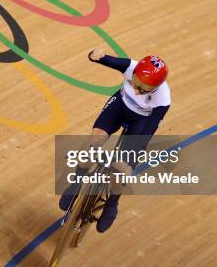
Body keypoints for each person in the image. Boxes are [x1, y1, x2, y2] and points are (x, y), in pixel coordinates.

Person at [59, 47, 171, 233]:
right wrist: (96, 56)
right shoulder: (131, 67)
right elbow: (103, 59)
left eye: (145, 88)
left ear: (157, 87)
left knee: (121, 169)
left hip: (141, 121)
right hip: (120, 105)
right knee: (91, 146)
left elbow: (148, 132)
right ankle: (76, 183)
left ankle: (112, 203)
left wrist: (129, 157)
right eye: (136, 82)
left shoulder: (163, 100)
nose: (137, 89)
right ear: (134, 73)